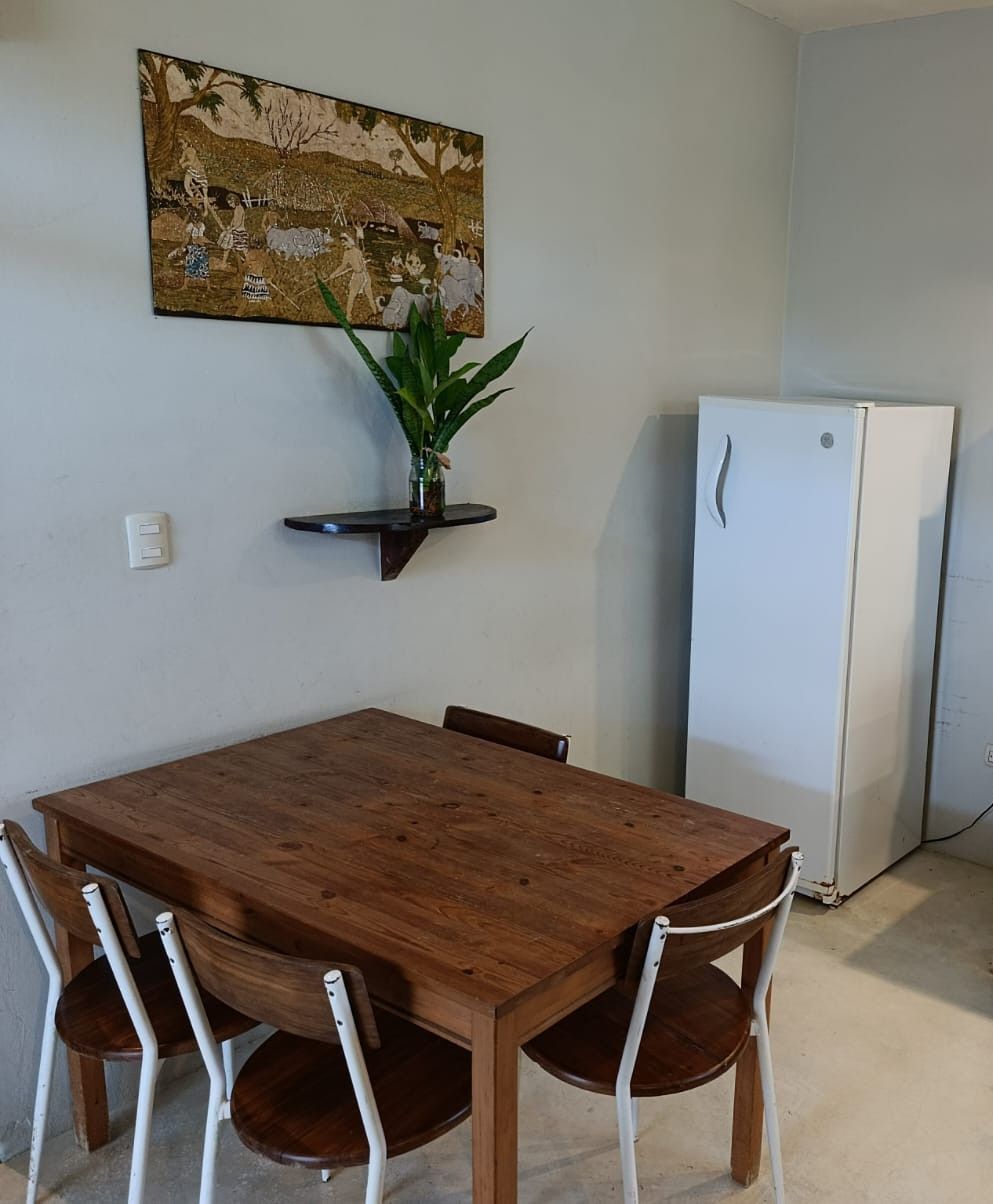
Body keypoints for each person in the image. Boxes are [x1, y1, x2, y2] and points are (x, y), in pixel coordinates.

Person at [327, 232, 378, 322]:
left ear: (349, 241)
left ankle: (375, 313)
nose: (343, 244)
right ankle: (348, 316)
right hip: (357, 276)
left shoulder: (357, 251)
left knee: (370, 296)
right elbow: (342, 266)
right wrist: (333, 274)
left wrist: (365, 276)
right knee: (351, 296)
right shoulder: (346, 253)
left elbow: (362, 265)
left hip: (364, 275)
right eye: (342, 243)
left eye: (344, 242)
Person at [167, 209, 210, 288]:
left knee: (202, 266)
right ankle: (185, 286)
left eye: (196, 216)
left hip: (200, 248)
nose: (195, 218)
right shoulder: (191, 225)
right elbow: (188, 239)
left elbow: (199, 238)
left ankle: (208, 287)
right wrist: (182, 247)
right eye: (194, 216)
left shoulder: (201, 225)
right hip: (195, 247)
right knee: (192, 266)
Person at [218, 193, 249, 269]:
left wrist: (231, 229)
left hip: (239, 232)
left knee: (243, 250)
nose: (230, 205)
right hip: (235, 231)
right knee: (228, 247)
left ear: (234, 201)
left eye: (230, 203)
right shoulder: (236, 209)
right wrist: (230, 226)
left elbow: (238, 223)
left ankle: (249, 263)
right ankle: (224, 263)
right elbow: (234, 220)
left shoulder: (240, 209)